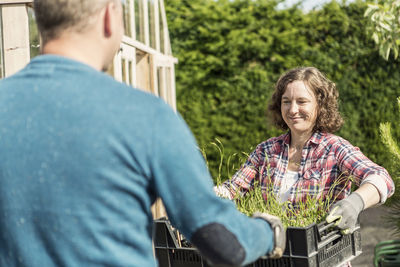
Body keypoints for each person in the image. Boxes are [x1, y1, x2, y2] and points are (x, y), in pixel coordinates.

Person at [0, 0, 285, 266]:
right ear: (110, 16)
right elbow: (222, 241)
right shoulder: (145, 115)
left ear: (40, 20)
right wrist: (268, 232)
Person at [215, 67, 395, 235]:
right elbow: (232, 190)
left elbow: (382, 178)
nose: (293, 110)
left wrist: (356, 202)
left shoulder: (334, 148)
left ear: (320, 105)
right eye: (286, 102)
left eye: (302, 102)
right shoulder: (266, 151)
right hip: (279, 254)